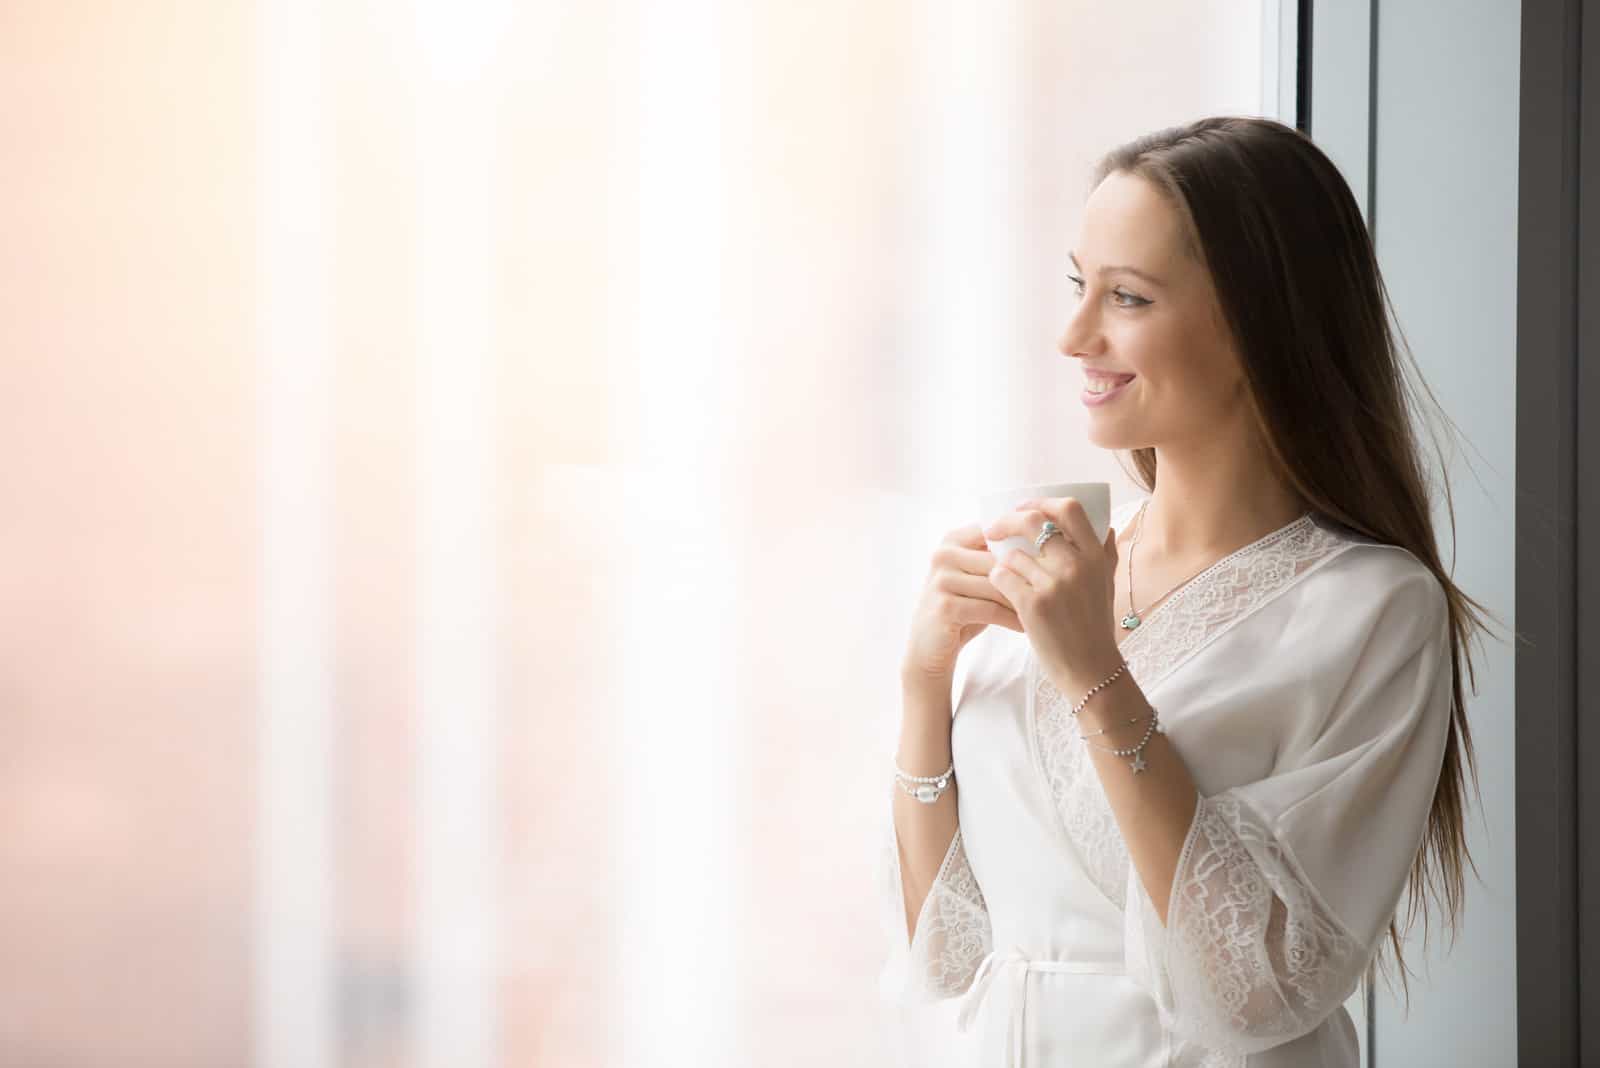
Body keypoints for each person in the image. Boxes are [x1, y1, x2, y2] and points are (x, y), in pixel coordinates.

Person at [878, 115, 1502, 1067]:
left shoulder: (1374, 609)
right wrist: (926, 690)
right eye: (1079, 285)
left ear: (1263, 322)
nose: (1073, 334)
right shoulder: (1061, 574)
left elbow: (1257, 990)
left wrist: (1097, 674)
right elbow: (952, 952)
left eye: (1126, 298)